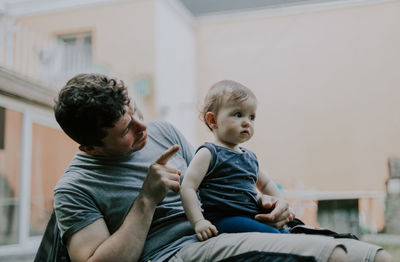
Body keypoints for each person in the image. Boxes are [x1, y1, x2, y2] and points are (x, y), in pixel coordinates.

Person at [53, 73, 392, 262]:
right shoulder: (75, 187)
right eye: (126, 130)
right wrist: (146, 200)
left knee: (374, 257)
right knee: (337, 257)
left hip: (225, 228)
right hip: (177, 253)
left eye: (136, 112)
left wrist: (269, 202)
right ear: (89, 147)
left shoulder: (163, 132)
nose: (144, 128)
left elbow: (216, 181)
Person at [181, 80, 288, 242]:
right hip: (223, 220)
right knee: (273, 237)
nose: (247, 122)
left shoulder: (249, 156)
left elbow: (266, 185)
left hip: (251, 216)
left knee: (288, 235)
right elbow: (187, 187)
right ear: (213, 120)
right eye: (238, 114)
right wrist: (199, 222)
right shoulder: (209, 153)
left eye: (251, 117)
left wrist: (280, 205)